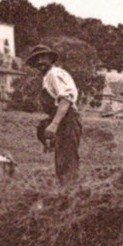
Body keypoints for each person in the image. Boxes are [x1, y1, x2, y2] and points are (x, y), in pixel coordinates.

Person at [24, 44, 82, 185]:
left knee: (67, 165)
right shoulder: (47, 78)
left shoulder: (54, 74)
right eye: (36, 59)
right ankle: (66, 194)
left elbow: (66, 99)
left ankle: (70, 197)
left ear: (51, 59)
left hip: (67, 120)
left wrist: (55, 124)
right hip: (62, 120)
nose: (40, 62)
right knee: (62, 164)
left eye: (44, 57)